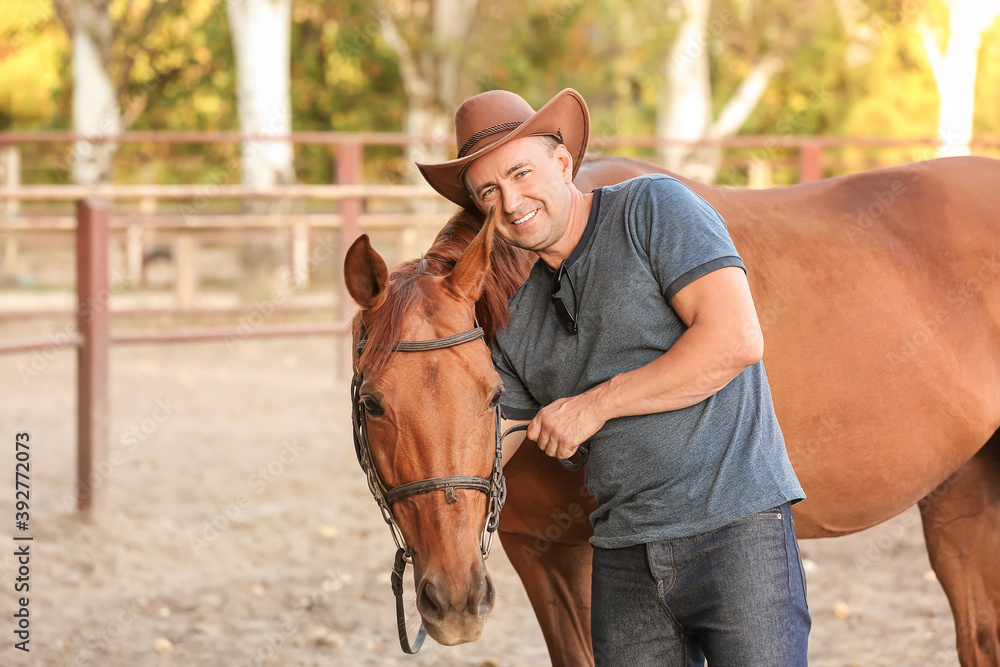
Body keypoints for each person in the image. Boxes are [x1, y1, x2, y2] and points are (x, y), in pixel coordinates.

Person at [416, 88, 810, 666]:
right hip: (623, 557)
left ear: (562, 161)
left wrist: (592, 406)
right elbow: (494, 440)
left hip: (736, 533)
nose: (512, 200)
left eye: (522, 173)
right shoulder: (518, 317)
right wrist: (423, 497)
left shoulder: (652, 209)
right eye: (488, 192)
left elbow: (734, 339)